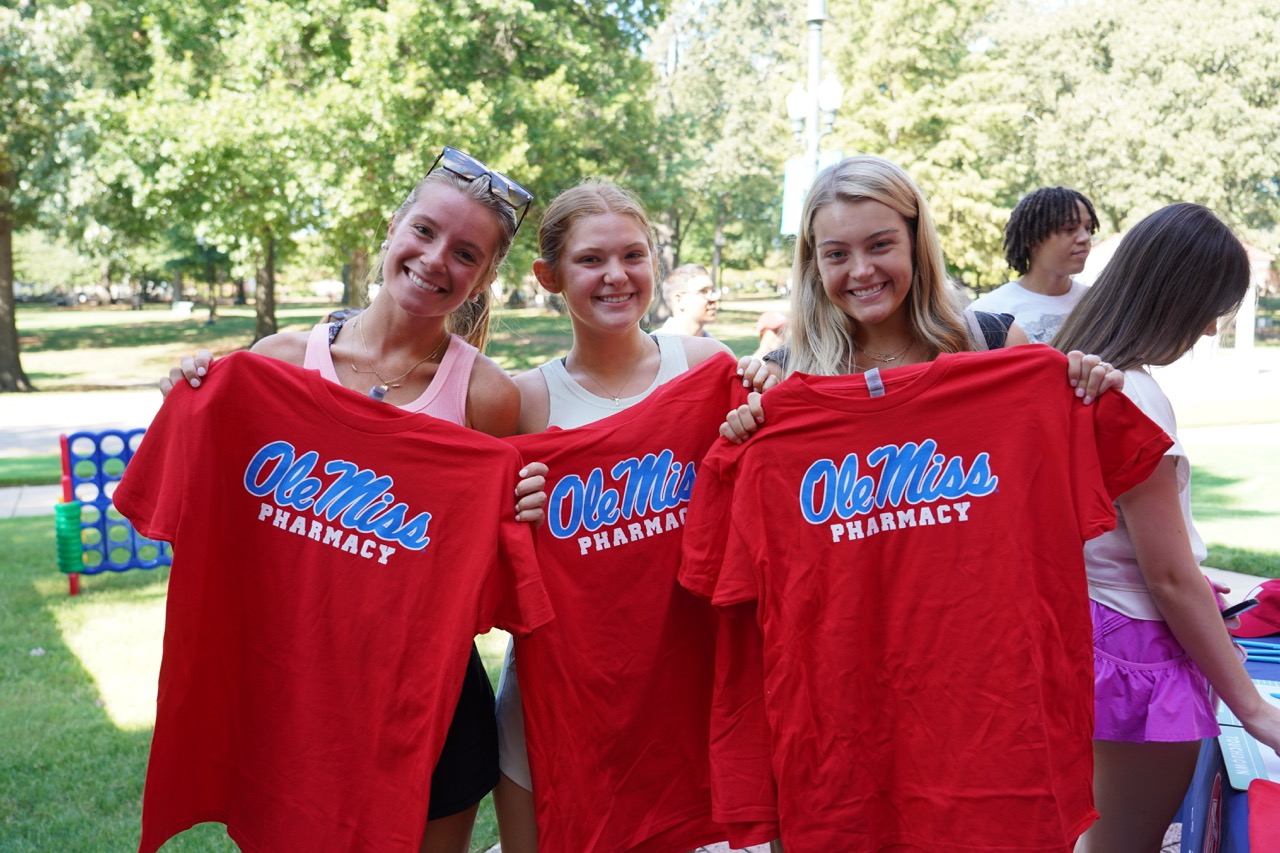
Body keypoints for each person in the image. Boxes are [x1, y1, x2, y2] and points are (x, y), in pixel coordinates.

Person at [161, 144, 535, 853]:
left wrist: (524, 504)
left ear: (485, 275)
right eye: (424, 231)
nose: (435, 260)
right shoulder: (276, 363)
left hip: (427, 707)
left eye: (465, 253)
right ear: (394, 227)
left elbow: (497, 562)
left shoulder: (488, 395)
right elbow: (201, 519)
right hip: (289, 697)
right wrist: (191, 401)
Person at [497, 180, 769, 853]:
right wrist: (513, 508)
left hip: (686, 681)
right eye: (591, 260)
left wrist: (764, 402)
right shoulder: (521, 402)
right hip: (560, 692)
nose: (616, 276)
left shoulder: (707, 370)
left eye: (633, 255)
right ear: (549, 276)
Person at [1053, 203, 1280, 853]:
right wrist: (1255, 707)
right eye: (1210, 307)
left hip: (1091, 630)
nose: (1210, 328)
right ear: (1173, 297)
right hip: (1139, 646)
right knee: (1122, 843)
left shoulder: (1072, 374)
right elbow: (1171, 577)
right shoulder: (1131, 396)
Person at [727, 158, 1116, 437]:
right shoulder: (783, 379)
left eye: (880, 245)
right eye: (837, 254)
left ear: (917, 244)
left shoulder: (995, 345)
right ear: (815, 264)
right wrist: (743, 430)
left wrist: (1088, 393)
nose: (861, 270)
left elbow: (1052, 468)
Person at [969, 185, 1099, 343]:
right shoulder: (987, 312)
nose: (1084, 237)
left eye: (1088, 228)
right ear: (1032, 239)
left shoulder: (1099, 304)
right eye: (1069, 229)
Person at [653, 262, 720, 338]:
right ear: (679, 300)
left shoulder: (715, 346)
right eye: (703, 291)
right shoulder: (655, 346)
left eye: (713, 291)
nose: (714, 298)